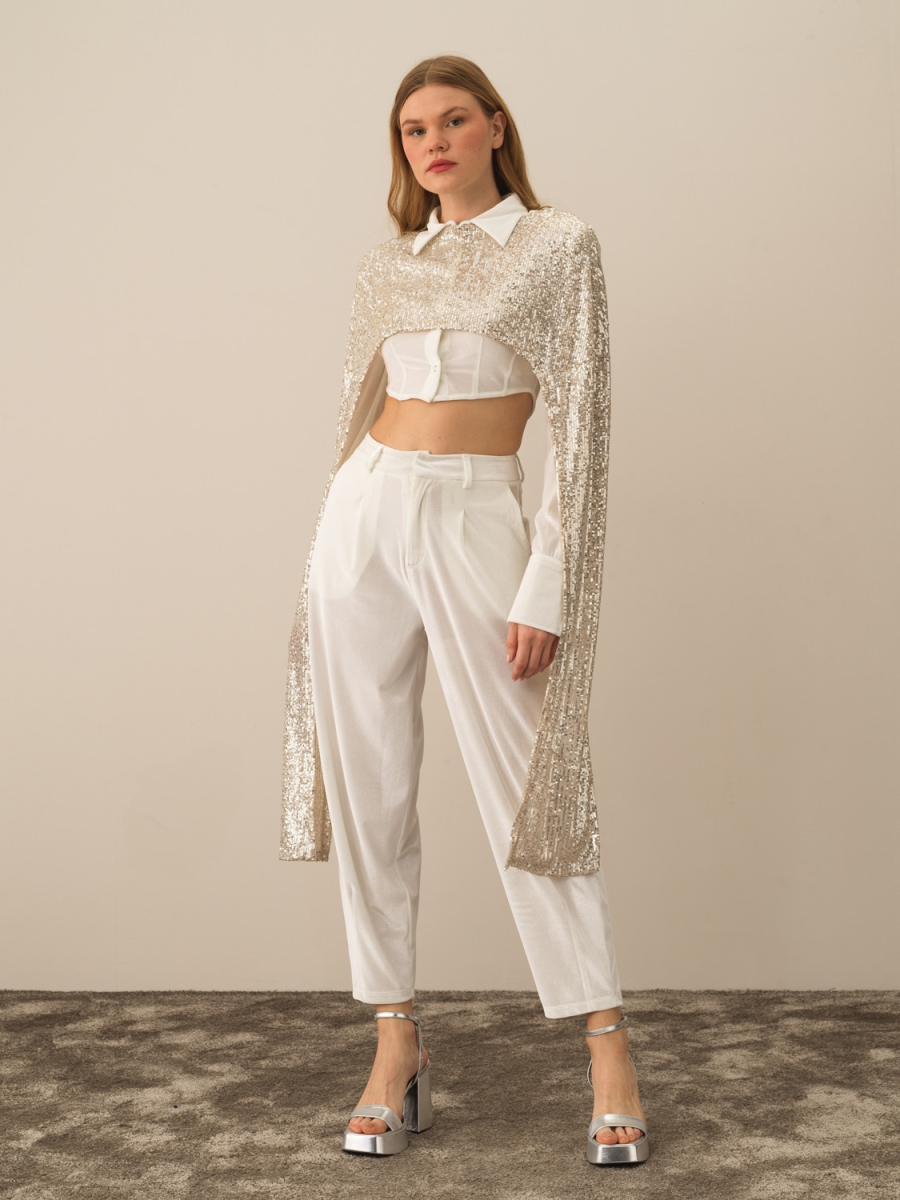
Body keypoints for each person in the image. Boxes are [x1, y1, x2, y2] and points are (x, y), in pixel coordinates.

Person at [280, 54, 649, 1166]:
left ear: (495, 126)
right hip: (364, 515)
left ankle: (608, 1049)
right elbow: (357, 410)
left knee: (531, 787)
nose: (432, 142)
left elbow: (581, 427)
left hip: (477, 512)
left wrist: (549, 582)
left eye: (451, 120)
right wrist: (329, 540)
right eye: (412, 129)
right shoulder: (387, 265)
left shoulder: (558, 246)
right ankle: (395, 1042)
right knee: (371, 782)